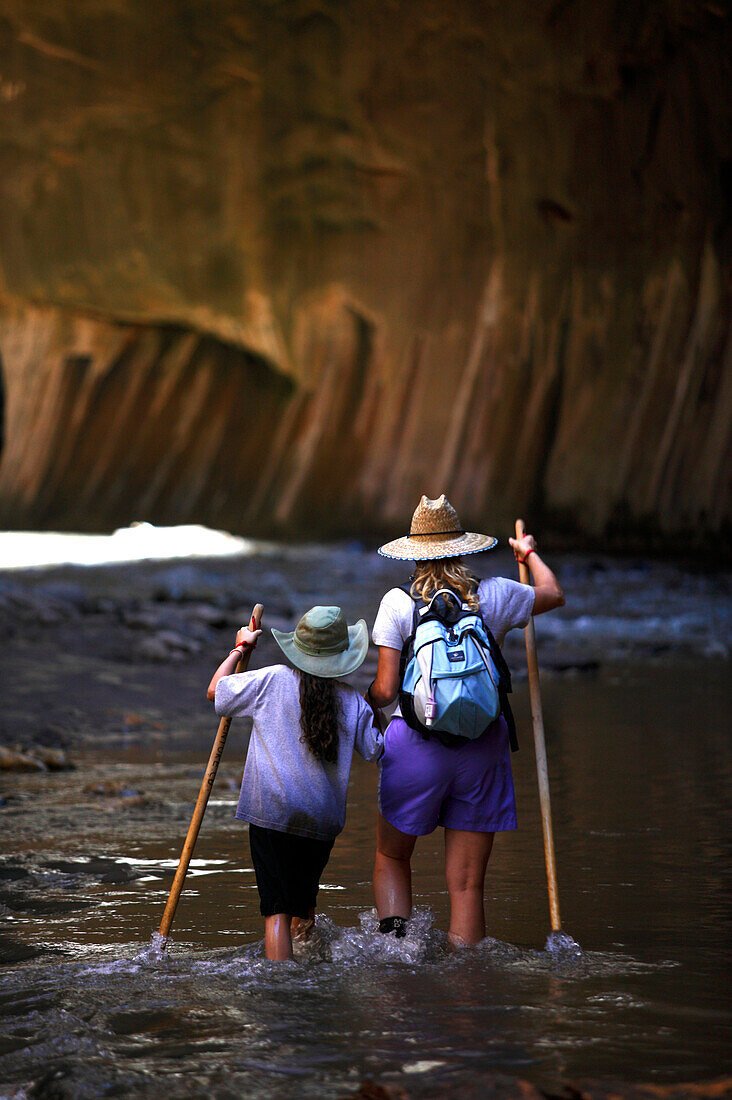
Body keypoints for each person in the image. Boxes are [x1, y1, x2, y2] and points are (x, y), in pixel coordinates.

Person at [366, 494, 564, 947]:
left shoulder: (397, 604)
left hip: (414, 748)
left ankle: (397, 957)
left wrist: (365, 707)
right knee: (467, 886)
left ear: (414, 552)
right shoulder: (494, 594)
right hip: (482, 748)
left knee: (392, 856)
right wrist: (529, 555)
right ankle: (468, 990)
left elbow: (384, 690)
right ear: (462, 547)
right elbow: (554, 594)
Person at [207, 605, 383, 961]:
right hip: (321, 822)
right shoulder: (352, 701)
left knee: (276, 909)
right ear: (341, 658)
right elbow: (376, 751)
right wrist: (377, 710)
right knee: (303, 906)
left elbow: (216, 692)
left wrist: (240, 648)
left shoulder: (271, 680)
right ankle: (308, 967)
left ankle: (282, 984)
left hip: (271, 812)